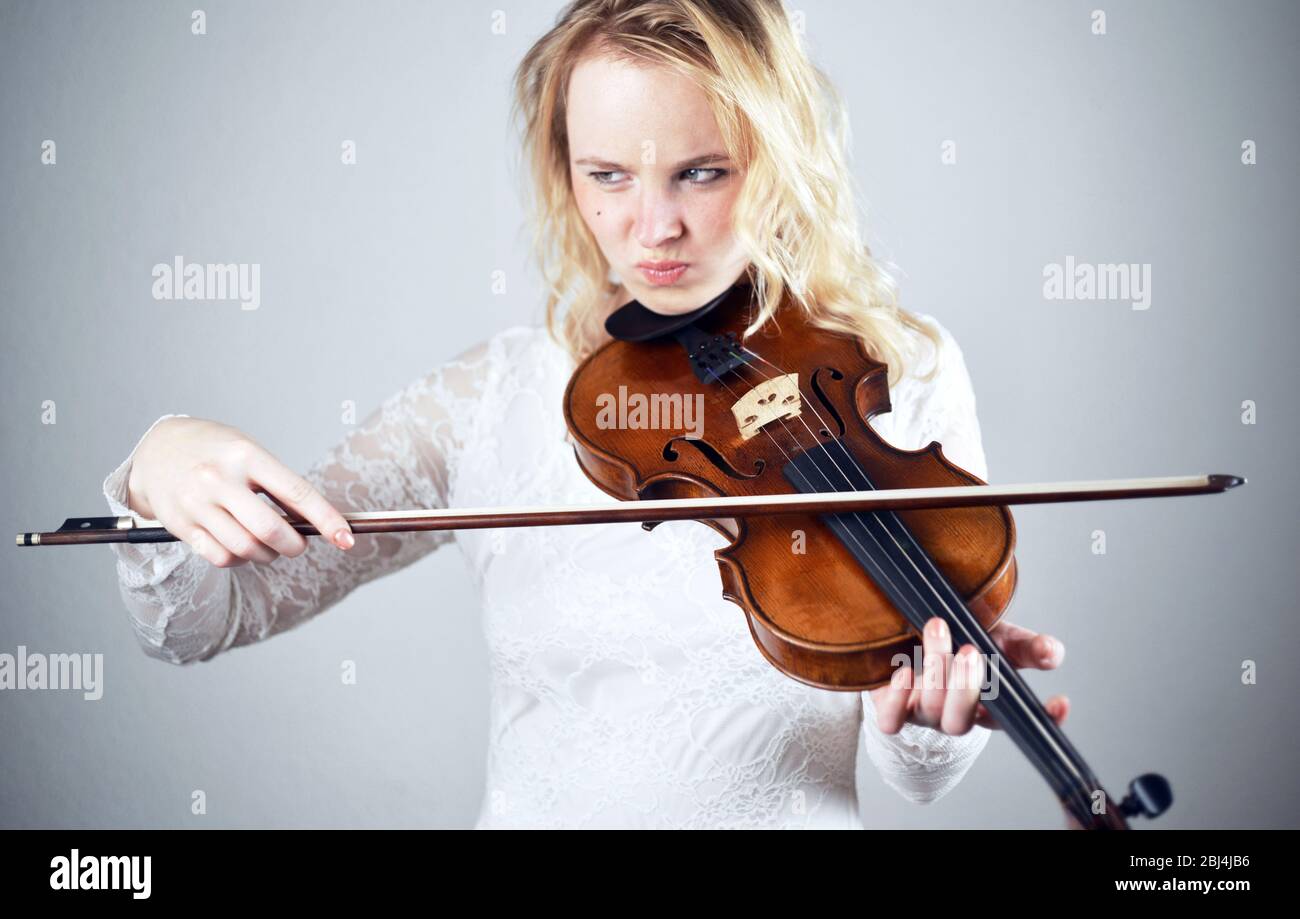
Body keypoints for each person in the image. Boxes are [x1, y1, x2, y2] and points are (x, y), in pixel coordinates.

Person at [103, 0, 1067, 828]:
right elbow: (201, 620)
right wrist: (160, 458)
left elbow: (915, 774)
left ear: (777, 160)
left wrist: (940, 718)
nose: (655, 228)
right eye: (608, 175)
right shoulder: (487, 400)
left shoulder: (895, 371)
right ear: (564, 172)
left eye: (702, 171)